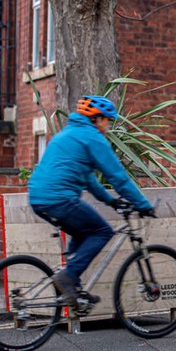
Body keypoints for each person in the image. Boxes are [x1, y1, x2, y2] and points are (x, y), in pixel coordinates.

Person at [28, 95, 154, 307]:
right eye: (107, 119)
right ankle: (68, 277)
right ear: (96, 119)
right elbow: (118, 176)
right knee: (101, 231)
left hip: (38, 198)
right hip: (60, 198)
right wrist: (142, 204)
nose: (108, 125)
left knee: (83, 231)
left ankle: (72, 286)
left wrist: (111, 202)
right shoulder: (92, 138)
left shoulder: (68, 134)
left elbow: (89, 180)